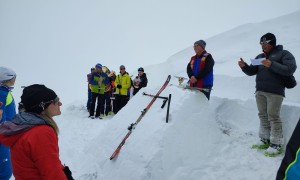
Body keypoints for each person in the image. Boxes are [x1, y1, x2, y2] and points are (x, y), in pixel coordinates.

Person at [238, 32, 297, 156]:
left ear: (272, 42)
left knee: (273, 117)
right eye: (261, 43)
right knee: (263, 116)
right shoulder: (260, 56)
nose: (262, 45)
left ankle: (276, 144)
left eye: (264, 43)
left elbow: (290, 69)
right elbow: (252, 71)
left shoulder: (284, 54)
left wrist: (272, 64)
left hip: (275, 92)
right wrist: (244, 67)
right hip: (260, 91)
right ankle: (265, 139)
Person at [0, 84, 74, 179]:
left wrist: (62, 170)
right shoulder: (41, 132)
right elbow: (52, 175)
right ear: (42, 107)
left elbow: (45, 161)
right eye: (55, 101)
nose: (60, 103)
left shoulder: (23, 127)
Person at [0, 66, 17, 180]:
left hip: (7, 135)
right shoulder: (2, 93)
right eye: (13, 78)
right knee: (4, 172)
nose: (15, 81)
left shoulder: (4, 92)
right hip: (3, 138)